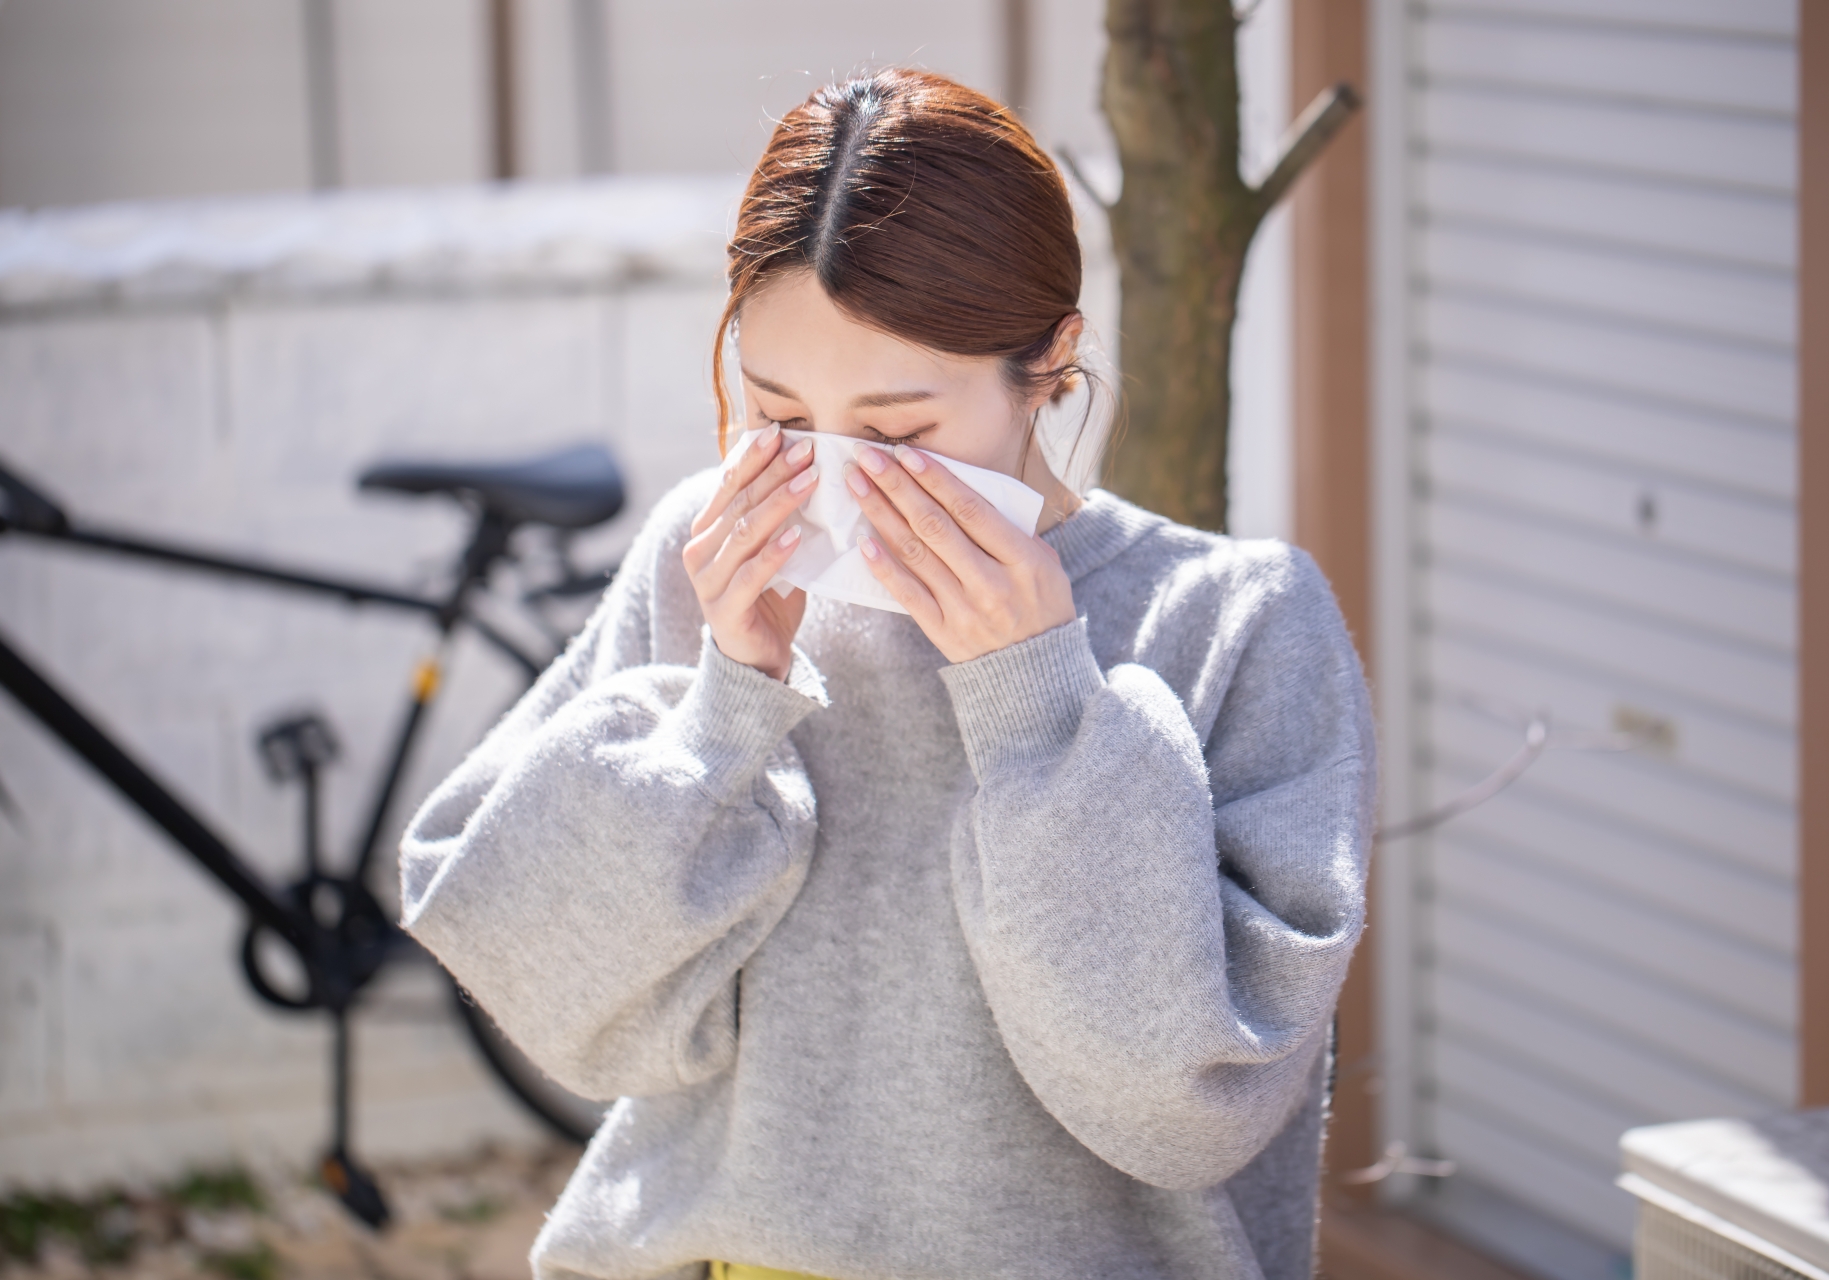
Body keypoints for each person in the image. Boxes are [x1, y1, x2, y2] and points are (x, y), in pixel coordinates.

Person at [399, 67, 1374, 1280]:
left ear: (1054, 361)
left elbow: (1187, 1108)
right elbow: (549, 988)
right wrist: (723, 705)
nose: (830, 483)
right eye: (779, 415)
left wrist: (1038, 700)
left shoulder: (1234, 623)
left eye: (900, 432)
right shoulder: (712, 559)